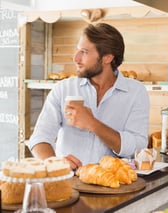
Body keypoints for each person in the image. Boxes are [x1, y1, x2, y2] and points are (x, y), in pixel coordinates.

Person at [27, 23, 150, 170]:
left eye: (84, 52)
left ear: (107, 58)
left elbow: (137, 146)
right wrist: (54, 164)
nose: (75, 58)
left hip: (116, 185)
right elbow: (40, 138)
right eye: (77, 50)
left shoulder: (136, 92)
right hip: (68, 182)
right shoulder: (63, 88)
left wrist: (92, 124)